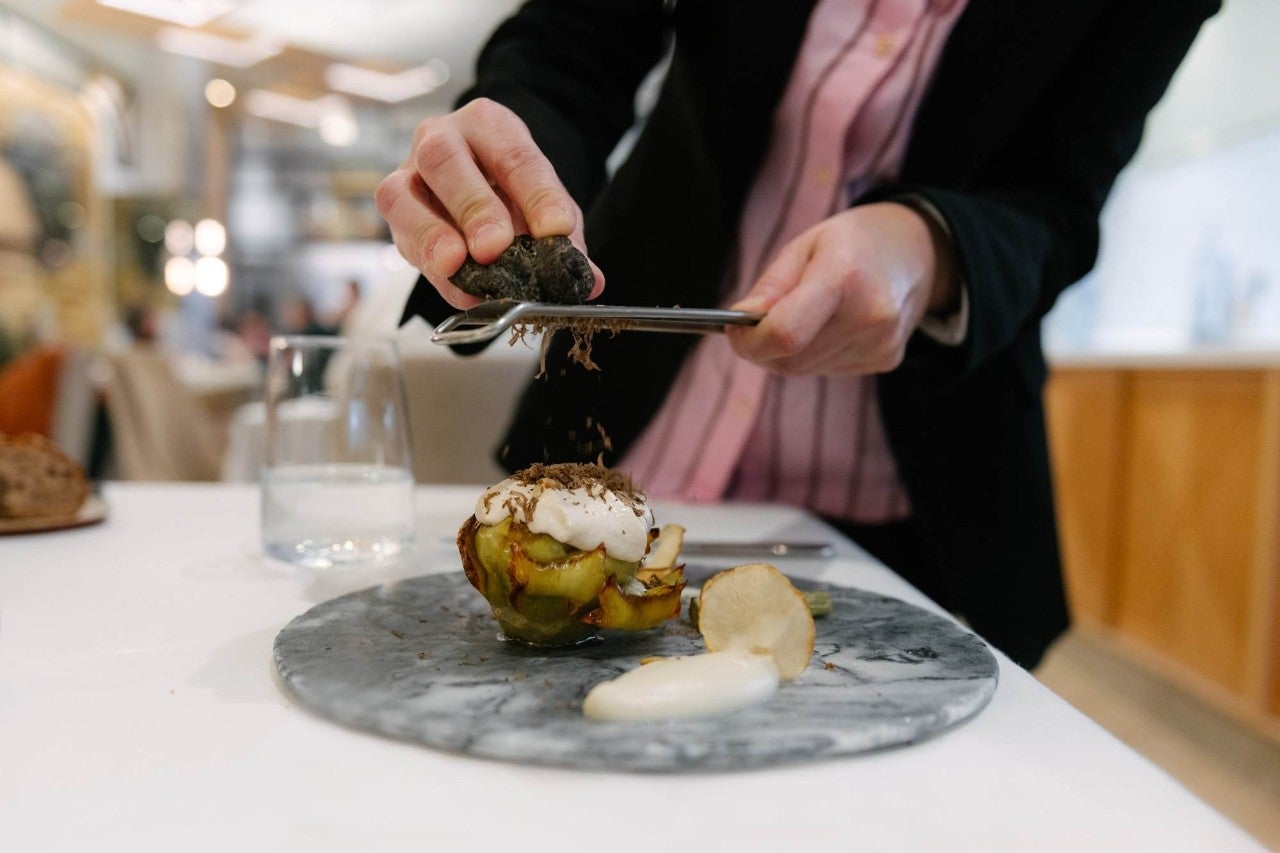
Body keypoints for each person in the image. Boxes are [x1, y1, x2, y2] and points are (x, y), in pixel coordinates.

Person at [382, 0, 1219, 668]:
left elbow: (1061, 199)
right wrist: (501, 172)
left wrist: (933, 248)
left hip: (919, 509)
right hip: (626, 443)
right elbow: (572, 46)